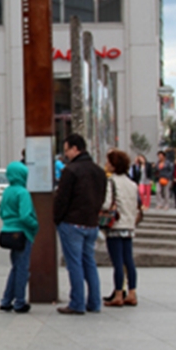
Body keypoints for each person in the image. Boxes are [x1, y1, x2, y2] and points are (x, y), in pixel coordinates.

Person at [54, 133, 106, 315]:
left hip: (72, 222)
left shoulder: (71, 170)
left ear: (75, 149)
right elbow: (102, 197)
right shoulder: (99, 171)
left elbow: (62, 199)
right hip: (91, 223)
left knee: (74, 263)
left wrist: (57, 219)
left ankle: (77, 302)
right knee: (89, 262)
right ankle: (94, 302)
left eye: (67, 150)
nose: (66, 154)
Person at [0, 161, 39, 314]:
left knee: (15, 267)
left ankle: (6, 300)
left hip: (7, 232)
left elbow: (1, 213)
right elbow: (25, 215)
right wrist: (35, 225)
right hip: (22, 233)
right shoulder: (23, 193)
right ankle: (19, 302)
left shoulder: (7, 191)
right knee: (22, 268)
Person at [102, 150, 140, 307]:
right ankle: (132, 292)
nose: (106, 165)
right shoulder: (132, 184)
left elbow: (106, 204)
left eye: (108, 162)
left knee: (117, 261)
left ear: (113, 165)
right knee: (128, 260)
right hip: (129, 225)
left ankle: (118, 293)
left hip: (116, 225)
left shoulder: (112, 182)